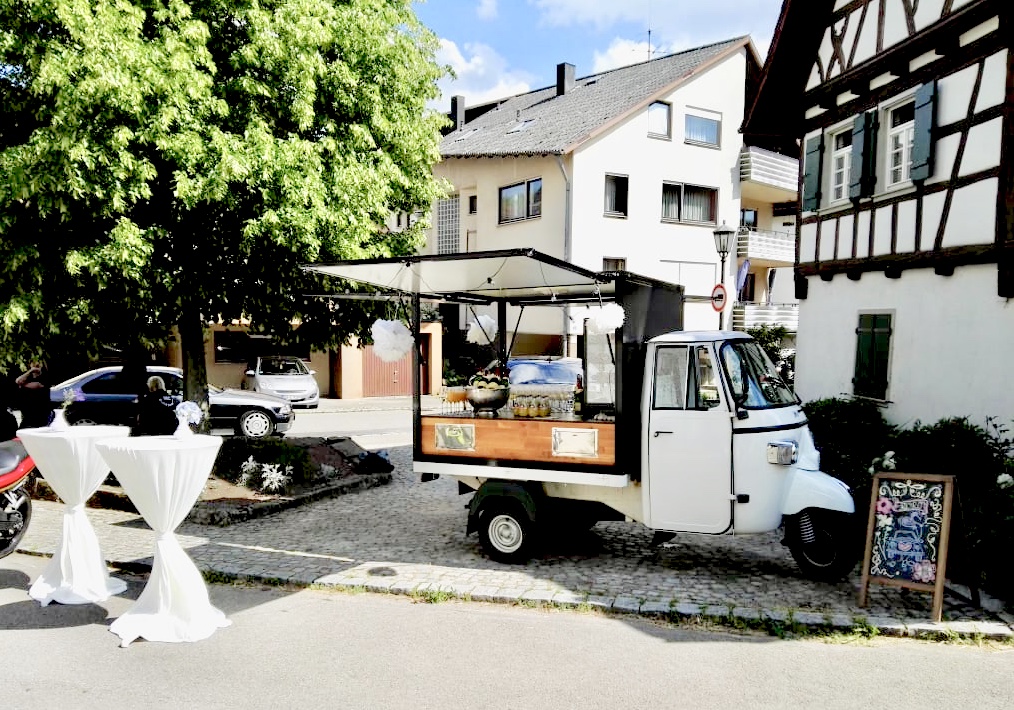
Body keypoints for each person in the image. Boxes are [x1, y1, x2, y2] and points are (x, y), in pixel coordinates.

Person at [15, 361, 54, 429]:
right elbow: (18, 381)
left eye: (38, 362)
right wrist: (31, 371)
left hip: (40, 415)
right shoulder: (27, 377)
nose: (36, 364)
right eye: (33, 362)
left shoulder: (45, 376)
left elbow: (37, 385)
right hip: (27, 416)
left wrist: (22, 385)